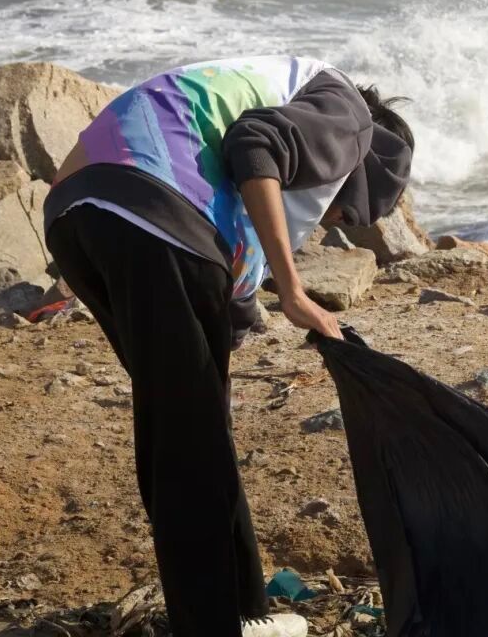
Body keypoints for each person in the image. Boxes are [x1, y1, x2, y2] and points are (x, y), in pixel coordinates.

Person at [44, 56, 414, 637]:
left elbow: (229, 257)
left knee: (190, 427)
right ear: (368, 162)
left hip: (76, 216)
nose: (335, 220)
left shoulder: (286, 85)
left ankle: (245, 612)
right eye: (349, 210)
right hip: (155, 212)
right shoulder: (351, 115)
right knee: (189, 444)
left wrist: (232, 327)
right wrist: (293, 291)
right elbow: (255, 145)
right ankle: (211, 624)